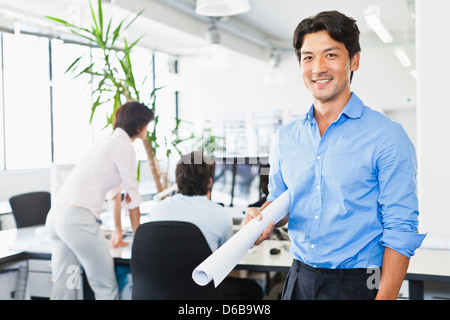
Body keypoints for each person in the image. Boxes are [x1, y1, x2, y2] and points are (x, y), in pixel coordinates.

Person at [244, 10, 426, 300]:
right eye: (308, 57)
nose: (318, 67)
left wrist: (386, 296)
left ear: (353, 60)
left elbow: (400, 227)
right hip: (298, 278)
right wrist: (261, 218)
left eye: (330, 55)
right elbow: (280, 202)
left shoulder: (387, 136)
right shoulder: (285, 138)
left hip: (360, 282)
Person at [46, 101, 154, 300]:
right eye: (147, 124)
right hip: (77, 223)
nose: (148, 128)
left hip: (57, 219)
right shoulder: (125, 147)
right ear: (139, 126)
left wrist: (119, 231)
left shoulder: (105, 144)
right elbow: (133, 197)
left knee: (65, 286)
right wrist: (140, 242)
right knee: (105, 288)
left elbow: (114, 194)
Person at [148, 151, 263, 299]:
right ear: (210, 182)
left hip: (160, 290)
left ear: (177, 180)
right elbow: (226, 260)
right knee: (253, 289)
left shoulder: (157, 209)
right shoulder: (220, 215)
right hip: (202, 291)